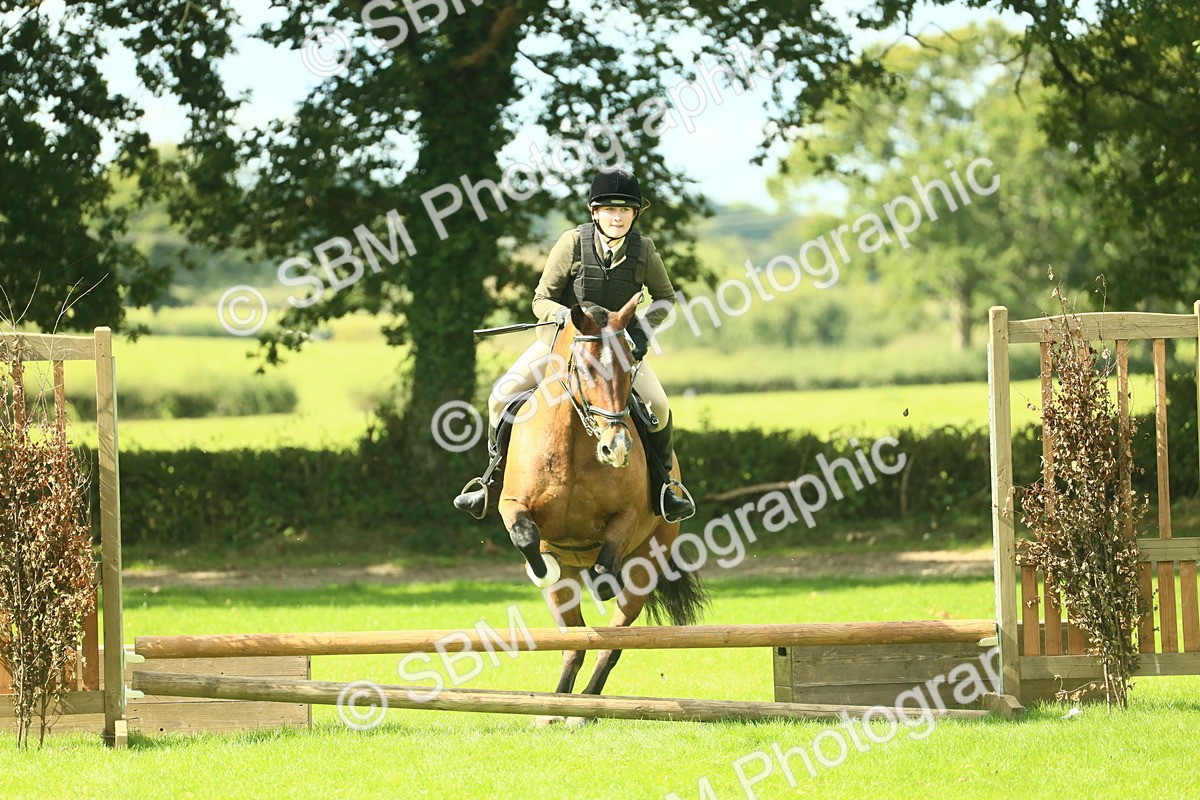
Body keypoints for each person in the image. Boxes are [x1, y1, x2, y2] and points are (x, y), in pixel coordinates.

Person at [453, 166, 695, 522]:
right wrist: (566, 321)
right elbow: (541, 300)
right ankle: (491, 481)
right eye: (610, 209)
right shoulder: (571, 244)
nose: (617, 217)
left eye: (625, 210)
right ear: (595, 212)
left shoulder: (644, 251)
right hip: (564, 346)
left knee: (658, 405)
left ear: (635, 214)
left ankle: (665, 489)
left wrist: (636, 337)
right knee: (500, 397)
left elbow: (664, 299)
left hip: (616, 351)